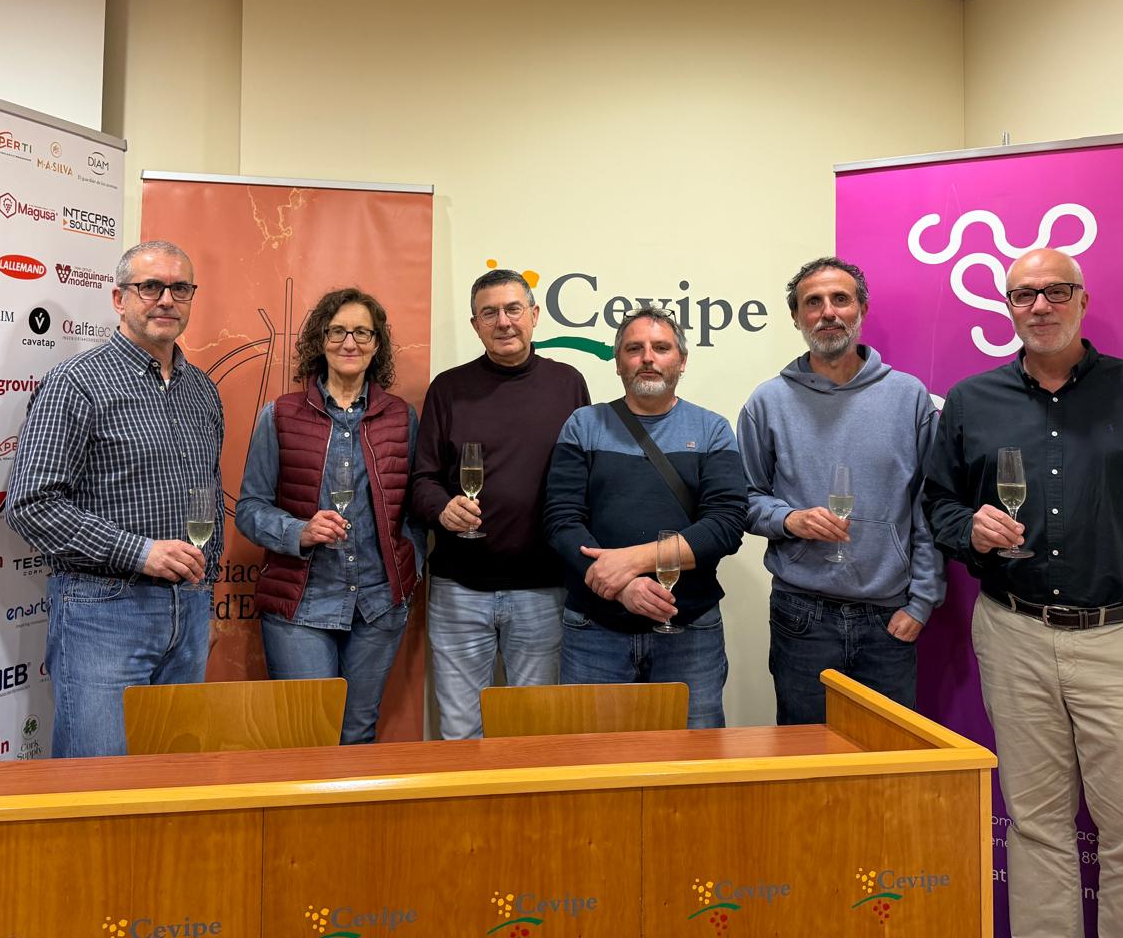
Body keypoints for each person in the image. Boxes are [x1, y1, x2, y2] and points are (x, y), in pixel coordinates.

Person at [924, 248, 1123, 938]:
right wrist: (970, 529)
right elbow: (938, 505)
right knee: (1035, 829)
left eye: (1057, 292)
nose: (1040, 306)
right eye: (1024, 295)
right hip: (1014, 636)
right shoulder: (971, 401)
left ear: (1083, 301)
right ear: (1007, 307)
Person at [6, 239, 224, 759]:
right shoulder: (77, 384)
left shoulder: (202, 391)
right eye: (150, 287)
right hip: (103, 612)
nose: (166, 299)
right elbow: (31, 504)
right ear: (118, 299)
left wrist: (205, 596)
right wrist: (140, 552)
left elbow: (211, 500)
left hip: (189, 612)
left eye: (180, 288)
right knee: (97, 780)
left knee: (173, 778)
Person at [738, 257, 943, 724]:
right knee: (806, 755)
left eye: (840, 299)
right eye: (813, 302)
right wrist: (789, 519)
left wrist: (922, 602)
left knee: (888, 756)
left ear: (862, 310)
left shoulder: (909, 397)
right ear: (796, 317)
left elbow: (929, 506)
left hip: (889, 618)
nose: (827, 312)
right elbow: (744, 500)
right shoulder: (767, 402)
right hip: (801, 616)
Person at [543, 307, 747, 728]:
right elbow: (561, 520)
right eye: (634, 349)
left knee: (693, 757)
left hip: (689, 628)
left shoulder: (712, 429)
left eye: (661, 348)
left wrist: (632, 561)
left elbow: (726, 525)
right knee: (593, 758)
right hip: (594, 628)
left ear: (682, 361)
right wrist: (621, 587)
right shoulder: (584, 425)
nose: (648, 358)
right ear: (618, 362)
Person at [234, 287, 421, 744]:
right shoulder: (280, 415)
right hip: (301, 606)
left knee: (357, 735)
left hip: (378, 607)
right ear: (321, 340)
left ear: (377, 344)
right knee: (306, 739)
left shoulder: (402, 418)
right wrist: (298, 531)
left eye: (361, 332)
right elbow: (250, 508)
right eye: (337, 331)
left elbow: (416, 507)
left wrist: (411, 566)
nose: (349, 342)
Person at [410, 268, 590, 739]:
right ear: (475, 325)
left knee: (534, 734)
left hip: (543, 590)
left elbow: (584, 479)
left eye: (513, 309)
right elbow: (422, 479)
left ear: (534, 315)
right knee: (460, 731)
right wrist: (442, 509)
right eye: (489, 313)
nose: (504, 322)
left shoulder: (568, 384)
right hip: (459, 589)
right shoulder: (448, 388)